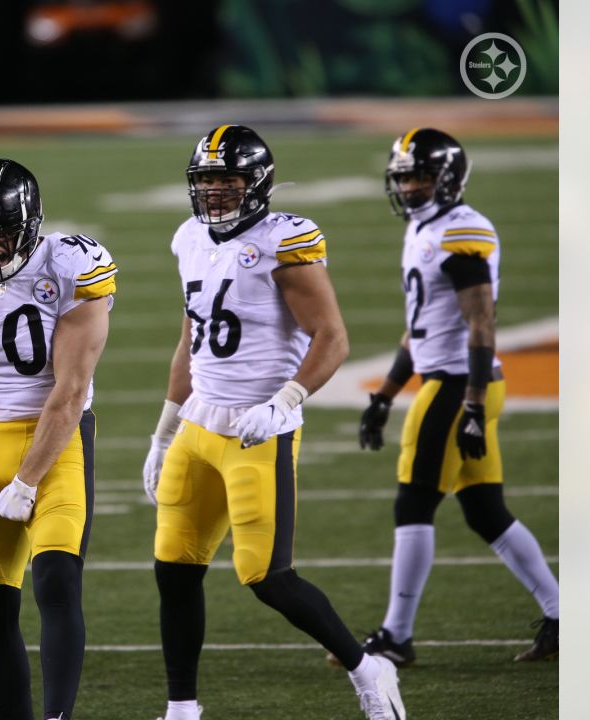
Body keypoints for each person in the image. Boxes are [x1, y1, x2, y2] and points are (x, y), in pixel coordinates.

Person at [141, 125, 406, 720]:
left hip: (258, 428)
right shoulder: (189, 238)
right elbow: (190, 341)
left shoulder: (285, 240)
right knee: (175, 570)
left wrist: (283, 400)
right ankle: (182, 707)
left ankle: (369, 669)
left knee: (267, 576)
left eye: (227, 179)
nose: (214, 192)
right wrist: (163, 432)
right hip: (198, 426)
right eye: (205, 180)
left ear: (255, 181)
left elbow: (332, 337)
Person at [350, 128, 559, 665]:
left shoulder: (461, 230)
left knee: (413, 502)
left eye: (421, 175)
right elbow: (421, 328)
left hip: (456, 385)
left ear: (448, 178)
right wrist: (384, 395)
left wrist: (468, 404)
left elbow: (480, 321)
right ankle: (561, 616)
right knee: (485, 511)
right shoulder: (428, 228)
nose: (411, 187)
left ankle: (396, 636)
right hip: (456, 380)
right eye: (404, 177)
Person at [0, 158, 115, 720]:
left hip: (55, 447)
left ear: (31, 223)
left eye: (1, 237)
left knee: (57, 581)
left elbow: (69, 390)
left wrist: (25, 481)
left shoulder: (70, 267)